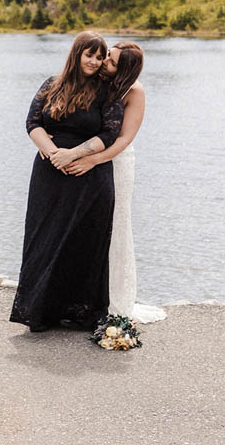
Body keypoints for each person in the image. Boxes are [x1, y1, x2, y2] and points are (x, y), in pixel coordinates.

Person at [9, 31, 126, 332]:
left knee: (84, 241)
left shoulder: (107, 90)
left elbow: (110, 134)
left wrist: (71, 155)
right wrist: (52, 153)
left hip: (89, 175)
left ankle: (80, 313)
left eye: (100, 57)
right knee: (43, 238)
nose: (95, 61)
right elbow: (32, 123)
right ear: (77, 54)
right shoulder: (52, 84)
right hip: (49, 174)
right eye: (90, 54)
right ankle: (41, 311)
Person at [56, 41, 165, 323]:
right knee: (88, 226)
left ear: (125, 70)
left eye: (111, 62)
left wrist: (94, 160)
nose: (104, 63)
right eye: (106, 58)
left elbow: (125, 139)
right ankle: (82, 298)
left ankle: (116, 301)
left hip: (115, 161)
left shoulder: (135, 91)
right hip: (89, 157)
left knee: (115, 227)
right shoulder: (100, 82)